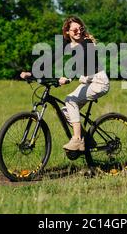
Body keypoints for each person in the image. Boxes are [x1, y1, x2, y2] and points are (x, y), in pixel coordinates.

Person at [20, 16, 110, 152]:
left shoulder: (87, 43)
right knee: (65, 111)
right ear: (67, 31)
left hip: (99, 81)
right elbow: (51, 58)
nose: (78, 32)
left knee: (70, 100)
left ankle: (77, 140)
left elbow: (82, 58)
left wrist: (69, 76)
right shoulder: (66, 44)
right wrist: (33, 74)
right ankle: (87, 140)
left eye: (81, 29)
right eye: (75, 30)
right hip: (87, 81)